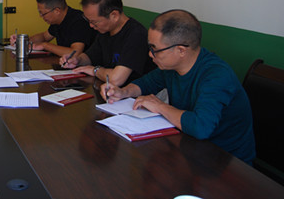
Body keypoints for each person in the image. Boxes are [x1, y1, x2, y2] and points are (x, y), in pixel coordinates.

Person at [102, 10, 255, 164]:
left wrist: (160, 107)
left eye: (155, 49)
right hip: (191, 148)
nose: (150, 54)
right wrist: (122, 92)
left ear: (181, 50)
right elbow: (146, 83)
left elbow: (201, 127)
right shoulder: (171, 67)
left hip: (227, 163)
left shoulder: (216, 76)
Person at [62, 0, 154, 87]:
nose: (91, 26)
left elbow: (117, 79)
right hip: (108, 90)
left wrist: (95, 70)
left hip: (132, 94)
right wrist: (77, 60)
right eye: (88, 21)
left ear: (114, 15)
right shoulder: (105, 31)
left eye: (94, 22)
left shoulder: (136, 35)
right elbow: (90, 56)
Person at [9, 0, 97, 57]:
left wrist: (45, 45)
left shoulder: (78, 21)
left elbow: (74, 53)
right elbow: (44, 36)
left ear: (56, 11)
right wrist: (22, 41)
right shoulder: (57, 21)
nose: (41, 16)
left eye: (43, 13)